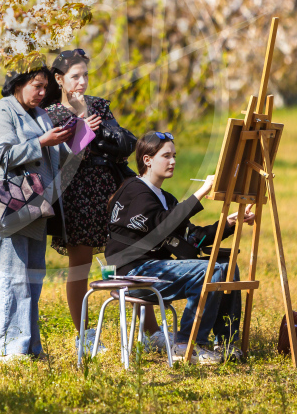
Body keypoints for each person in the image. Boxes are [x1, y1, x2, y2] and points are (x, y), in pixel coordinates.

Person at [104, 131, 256, 364]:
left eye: (174, 155)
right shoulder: (134, 190)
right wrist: (201, 192)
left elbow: (193, 239)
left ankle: (225, 343)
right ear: (147, 160)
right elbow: (164, 225)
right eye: (166, 156)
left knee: (227, 268)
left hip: (156, 269)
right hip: (133, 272)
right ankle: (187, 345)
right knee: (210, 271)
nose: (173, 161)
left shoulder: (166, 199)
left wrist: (229, 223)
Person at [41, 48, 136, 354]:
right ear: (59, 79)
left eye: (85, 75)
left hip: (108, 188)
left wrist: (96, 125)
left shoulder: (99, 106)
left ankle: (147, 330)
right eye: (75, 76)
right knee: (79, 265)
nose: (81, 82)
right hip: (75, 194)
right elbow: (65, 157)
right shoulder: (50, 114)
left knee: (126, 258)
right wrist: (81, 122)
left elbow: (120, 144)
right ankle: (84, 333)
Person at [0, 65, 73, 363]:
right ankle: (9, 350)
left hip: (38, 205)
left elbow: (59, 158)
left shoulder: (41, 115)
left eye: (46, 87)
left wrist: (78, 137)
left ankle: (30, 347)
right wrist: (41, 142)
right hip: (12, 202)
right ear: (18, 83)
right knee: (12, 276)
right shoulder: (1, 110)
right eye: (37, 86)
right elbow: (0, 155)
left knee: (32, 278)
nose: (43, 93)